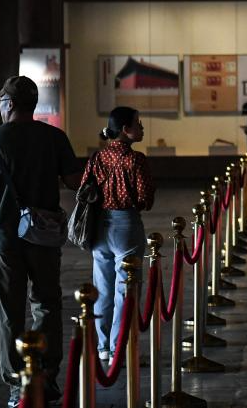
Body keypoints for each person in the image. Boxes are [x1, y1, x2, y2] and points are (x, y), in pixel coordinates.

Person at [0, 76, 80, 408]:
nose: (0, 107)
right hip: (43, 235)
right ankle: (46, 375)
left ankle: (18, 383)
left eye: (1, 101)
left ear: (11, 104)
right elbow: (74, 180)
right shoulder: (54, 137)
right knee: (47, 304)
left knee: (9, 312)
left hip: (4, 236)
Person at [83, 107, 154, 362]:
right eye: (138, 123)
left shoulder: (97, 157)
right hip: (125, 225)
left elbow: (84, 187)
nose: (142, 127)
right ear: (125, 130)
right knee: (126, 288)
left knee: (102, 288)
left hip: (98, 225)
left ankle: (103, 346)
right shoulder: (136, 160)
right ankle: (118, 347)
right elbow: (145, 198)